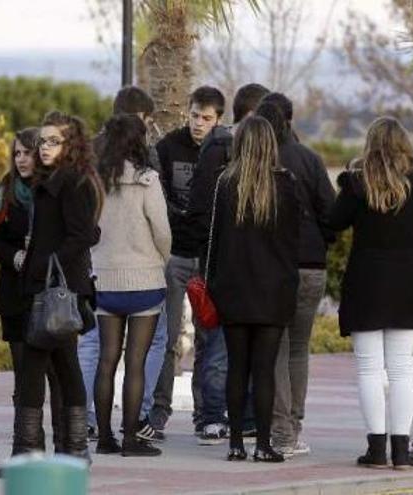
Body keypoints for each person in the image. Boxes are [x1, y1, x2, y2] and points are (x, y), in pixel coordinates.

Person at [168, 83, 271, 446]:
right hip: (217, 263)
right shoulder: (222, 153)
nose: (198, 123)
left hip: (218, 261)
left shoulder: (232, 155)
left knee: (222, 344)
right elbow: (200, 210)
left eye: (205, 117)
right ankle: (213, 416)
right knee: (217, 343)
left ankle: (220, 417)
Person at [329, 117, 413, 470]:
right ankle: (402, 450)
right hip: (405, 280)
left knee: (369, 369)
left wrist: (343, 182)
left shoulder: (357, 184)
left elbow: (333, 221)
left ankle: (376, 447)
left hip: (366, 280)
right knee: (403, 370)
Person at [207, 115, 300, 462]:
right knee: (264, 370)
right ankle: (263, 443)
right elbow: (293, 243)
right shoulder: (285, 185)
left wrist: (213, 283)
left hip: (232, 288)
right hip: (273, 290)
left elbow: (213, 240)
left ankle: (235, 443)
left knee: (237, 367)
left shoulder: (226, 183)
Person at [79, 85, 167, 444]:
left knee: (105, 360)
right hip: (144, 281)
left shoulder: (94, 181)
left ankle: (103, 437)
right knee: (135, 363)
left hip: (104, 281)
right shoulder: (147, 180)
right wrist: (160, 259)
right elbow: (162, 229)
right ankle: (131, 436)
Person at [20, 111, 104, 461]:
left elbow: (83, 234)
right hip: (52, 285)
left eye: (54, 141)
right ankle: (72, 449)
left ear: (71, 145)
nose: (44, 147)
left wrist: (44, 262)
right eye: (42, 140)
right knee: (63, 365)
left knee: (36, 366)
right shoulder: (52, 180)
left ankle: (31, 452)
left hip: (59, 289)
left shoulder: (72, 181)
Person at [0, 128, 65, 477]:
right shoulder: (5, 191)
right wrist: (14, 255)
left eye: (28, 152)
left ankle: (66, 452)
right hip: (15, 295)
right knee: (24, 380)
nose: (22, 159)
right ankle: (25, 453)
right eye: (17, 153)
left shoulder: (56, 189)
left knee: (58, 376)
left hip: (50, 296)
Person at [258, 94, 336, 458]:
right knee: (299, 349)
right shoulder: (309, 160)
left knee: (276, 350)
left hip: (271, 268)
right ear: (290, 120)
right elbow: (331, 213)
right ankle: (296, 423)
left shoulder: (255, 164)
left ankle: (281, 431)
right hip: (310, 265)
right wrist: (320, 241)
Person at [151, 86, 229, 443]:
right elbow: (158, 197)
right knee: (165, 337)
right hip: (173, 255)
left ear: (219, 120)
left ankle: (210, 415)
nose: (198, 123)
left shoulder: (226, 151)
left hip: (210, 258)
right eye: (195, 115)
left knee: (211, 337)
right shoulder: (168, 148)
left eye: (207, 118)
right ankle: (157, 414)